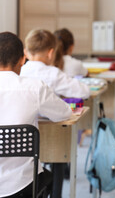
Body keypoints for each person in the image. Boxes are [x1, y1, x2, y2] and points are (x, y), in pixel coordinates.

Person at [0, 32, 72, 197]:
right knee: (49, 176)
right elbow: (64, 113)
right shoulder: (34, 87)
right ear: (22, 59)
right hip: (22, 183)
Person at [20, 29, 90, 99]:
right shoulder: (53, 74)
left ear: (25, 52)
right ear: (50, 53)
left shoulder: (20, 72)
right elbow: (85, 92)